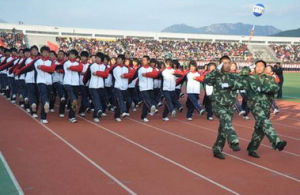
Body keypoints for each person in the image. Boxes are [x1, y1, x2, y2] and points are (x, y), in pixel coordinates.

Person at [241, 60, 287, 158]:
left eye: (261, 66)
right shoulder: (250, 78)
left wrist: (263, 89)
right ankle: (277, 142)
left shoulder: (270, 78)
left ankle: (252, 148)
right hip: (255, 104)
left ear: (265, 68)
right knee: (264, 121)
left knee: (260, 129)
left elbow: (275, 88)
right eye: (257, 66)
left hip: (266, 105)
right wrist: (246, 69)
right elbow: (241, 78)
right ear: (254, 67)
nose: (259, 67)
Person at [204, 55, 242, 159]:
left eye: (228, 63)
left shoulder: (233, 76)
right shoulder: (215, 75)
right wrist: (216, 70)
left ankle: (217, 149)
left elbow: (242, 84)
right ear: (220, 65)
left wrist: (232, 85)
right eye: (224, 63)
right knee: (227, 122)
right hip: (218, 105)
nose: (227, 65)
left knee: (223, 129)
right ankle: (234, 141)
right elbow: (206, 80)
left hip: (229, 106)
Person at [34, 46, 55, 124]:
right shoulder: (37, 61)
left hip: (49, 82)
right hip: (40, 81)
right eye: (44, 52)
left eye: (47, 52)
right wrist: (46, 68)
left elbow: (52, 70)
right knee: (43, 95)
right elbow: (47, 69)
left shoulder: (51, 62)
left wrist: (42, 67)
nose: (46, 54)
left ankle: (44, 116)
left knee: (47, 97)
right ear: (41, 52)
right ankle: (46, 104)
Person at [63, 49, 81, 123]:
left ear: (76, 56)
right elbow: (75, 68)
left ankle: (71, 115)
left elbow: (79, 68)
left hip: (76, 84)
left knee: (74, 101)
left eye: (73, 54)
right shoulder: (66, 63)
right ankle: (72, 116)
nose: (71, 56)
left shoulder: (78, 63)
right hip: (67, 83)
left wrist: (71, 68)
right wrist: (73, 68)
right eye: (70, 54)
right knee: (73, 100)